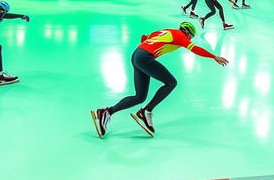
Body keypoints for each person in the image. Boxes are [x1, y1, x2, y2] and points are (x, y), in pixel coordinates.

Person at [90, 21, 228, 138]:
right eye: (190, 37)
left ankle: (106, 112)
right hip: (145, 58)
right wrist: (213, 56)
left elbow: (145, 38)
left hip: (137, 55)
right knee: (171, 83)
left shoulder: (166, 31)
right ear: (188, 33)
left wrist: (147, 44)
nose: (189, 40)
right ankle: (146, 111)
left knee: (139, 97)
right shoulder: (180, 36)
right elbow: (194, 49)